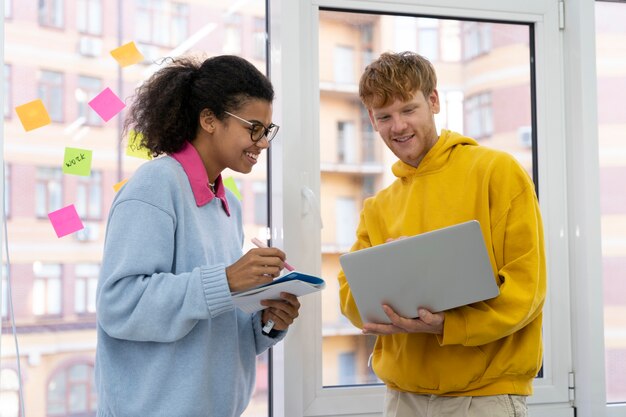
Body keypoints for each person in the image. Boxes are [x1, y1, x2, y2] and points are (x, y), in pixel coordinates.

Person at [338, 51, 546, 417]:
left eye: (408, 109)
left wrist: (450, 324)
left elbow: (527, 291)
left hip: (484, 397)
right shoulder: (378, 206)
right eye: (384, 116)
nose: (398, 126)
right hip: (403, 399)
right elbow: (352, 299)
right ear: (372, 119)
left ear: (433, 101)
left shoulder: (497, 173)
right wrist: (391, 271)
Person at [95, 55, 300, 417]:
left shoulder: (228, 206)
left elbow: (213, 327)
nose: (262, 143)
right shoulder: (155, 187)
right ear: (208, 120)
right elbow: (119, 305)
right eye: (253, 127)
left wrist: (266, 321)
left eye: (267, 130)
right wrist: (225, 280)